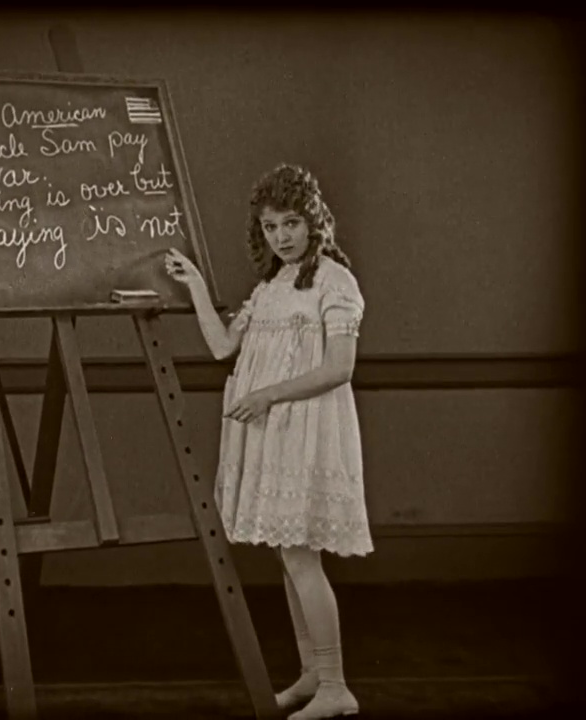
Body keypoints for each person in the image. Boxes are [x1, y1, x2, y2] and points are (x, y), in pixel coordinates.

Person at [164, 163, 372, 719]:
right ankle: (313, 673)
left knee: (301, 559)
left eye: (292, 223)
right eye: (271, 226)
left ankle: (336, 686)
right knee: (288, 556)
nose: (282, 236)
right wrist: (196, 286)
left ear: (314, 222)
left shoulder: (334, 282)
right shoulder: (270, 288)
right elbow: (221, 347)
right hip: (273, 435)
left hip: (304, 433)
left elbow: (340, 368)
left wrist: (267, 395)